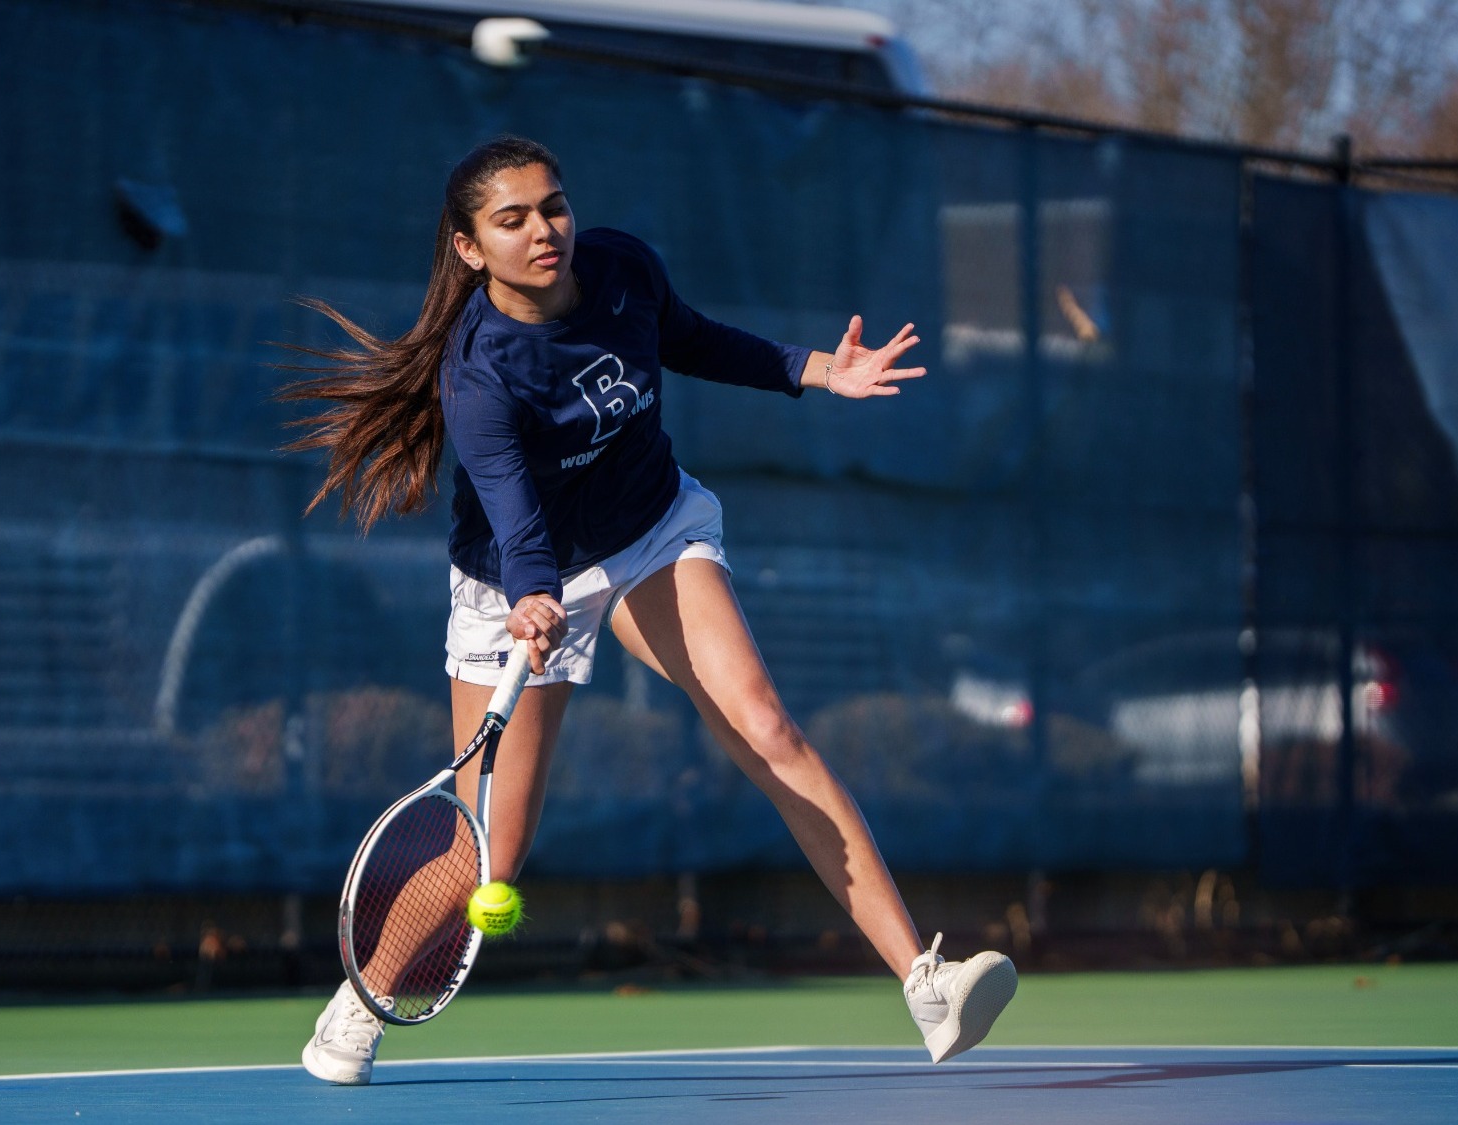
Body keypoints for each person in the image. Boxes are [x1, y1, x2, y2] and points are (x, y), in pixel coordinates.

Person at [281, 136, 1015, 1086]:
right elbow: (512, 510)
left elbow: (693, 336)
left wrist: (814, 370)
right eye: (513, 219)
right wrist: (536, 596)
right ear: (468, 248)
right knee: (491, 848)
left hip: (649, 531)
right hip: (516, 578)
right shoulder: (479, 374)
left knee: (768, 727)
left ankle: (926, 982)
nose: (545, 229)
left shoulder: (622, 268)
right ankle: (362, 999)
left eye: (553, 205)